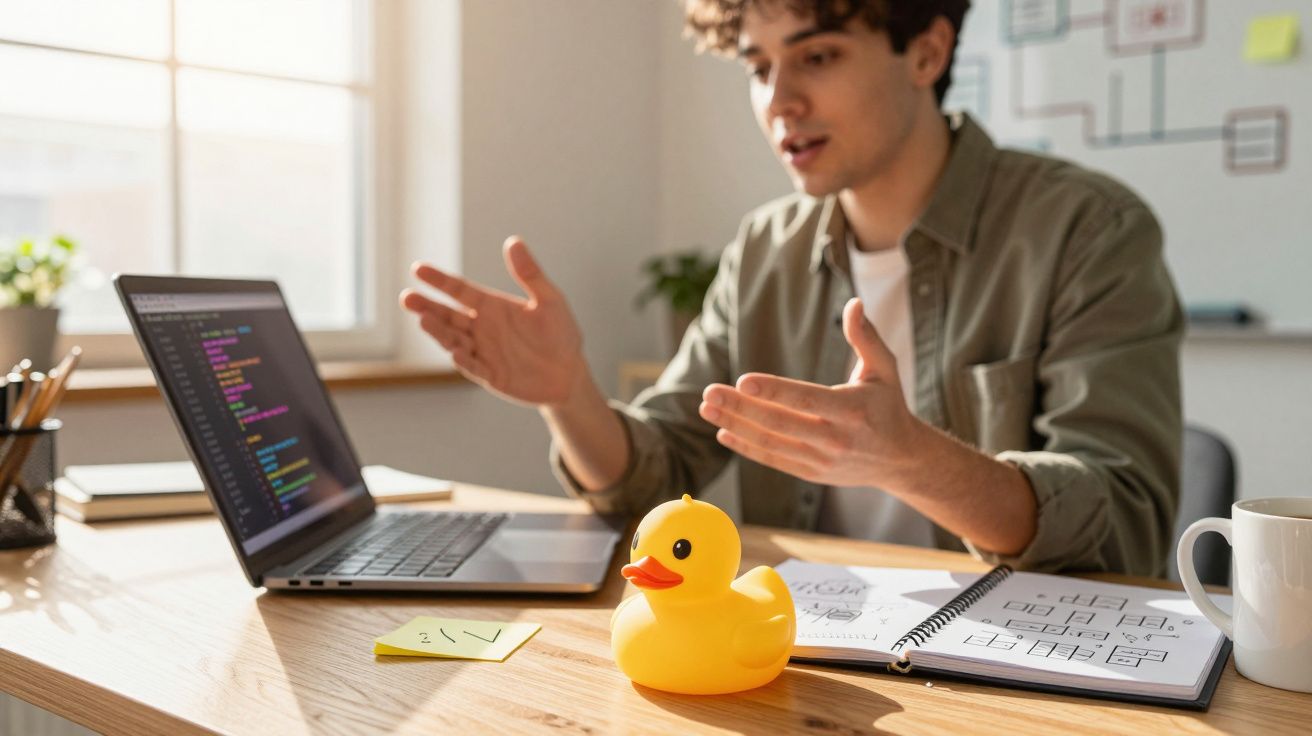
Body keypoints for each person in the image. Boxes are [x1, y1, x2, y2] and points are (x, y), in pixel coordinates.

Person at [399, 0, 1183, 576]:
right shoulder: (764, 250)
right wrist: (568, 394)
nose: (778, 101)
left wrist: (915, 461)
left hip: (1018, 666)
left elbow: (1129, 522)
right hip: (813, 655)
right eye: (758, 67)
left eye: (818, 57)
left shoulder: (1088, 229)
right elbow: (656, 478)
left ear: (926, 54)